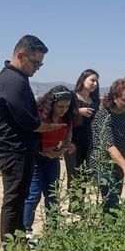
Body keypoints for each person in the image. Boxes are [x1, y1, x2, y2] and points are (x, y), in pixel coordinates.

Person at [0, 35, 65, 251]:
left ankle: (18, 242)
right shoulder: (13, 81)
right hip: (13, 150)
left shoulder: (16, 79)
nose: (38, 68)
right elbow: (31, 123)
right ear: (21, 56)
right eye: (36, 63)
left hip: (18, 149)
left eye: (41, 63)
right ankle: (11, 249)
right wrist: (54, 127)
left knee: (19, 198)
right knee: (14, 200)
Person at [23, 86, 77, 236]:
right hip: (36, 158)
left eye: (67, 106)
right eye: (60, 106)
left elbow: (68, 131)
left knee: (52, 194)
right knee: (33, 195)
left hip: (53, 158)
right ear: (51, 103)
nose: (63, 110)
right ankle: (26, 231)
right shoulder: (41, 116)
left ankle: (53, 229)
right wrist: (46, 151)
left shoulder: (66, 117)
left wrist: (67, 144)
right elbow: (32, 135)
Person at [88, 78, 125, 213]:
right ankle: (109, 228)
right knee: (111, 198)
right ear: (115, 97)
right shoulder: (104, 115)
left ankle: (112, 226)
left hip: (119, 161)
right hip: (102, 163)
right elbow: (109, 145)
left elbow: (122, 132)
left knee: (116, 194)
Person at [64, 69, 100, 208]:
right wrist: (78, 111)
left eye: (96, 81)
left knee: (85, 172)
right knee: (74, 172)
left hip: (88, 138)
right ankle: (74, 207)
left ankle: (81, 204)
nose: (95, 83)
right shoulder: (72, 97)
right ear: (83, 80)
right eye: (92, 80)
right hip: (72, 138)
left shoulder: (95, 100)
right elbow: (62, 113)